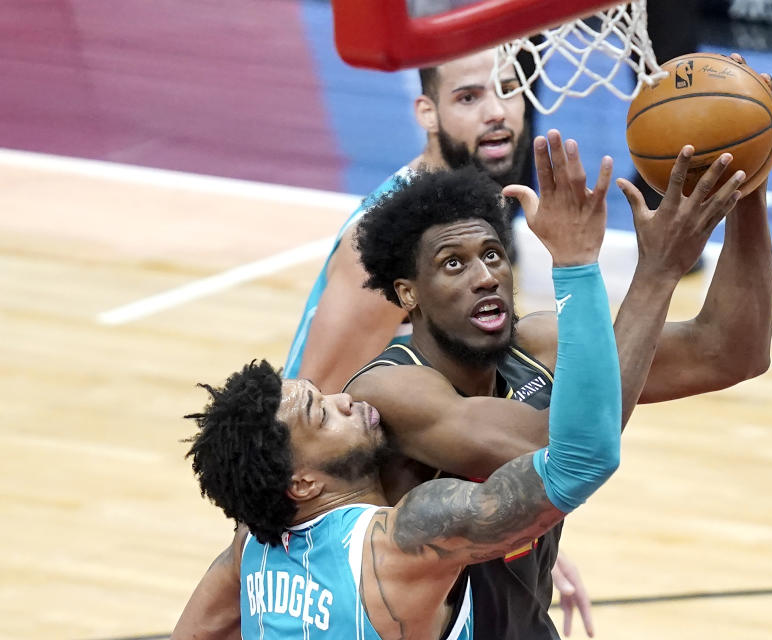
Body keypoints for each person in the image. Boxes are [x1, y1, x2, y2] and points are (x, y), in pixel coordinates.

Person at [171, 143, 625, 639]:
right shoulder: (407, 538)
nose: (345, 397)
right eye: (323, 414)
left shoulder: (252, 550)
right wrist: (576, 264)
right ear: (300, 484)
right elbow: (581, 460)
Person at [341, 122, 762, 640]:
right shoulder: (388, 391)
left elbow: (729, 352)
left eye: (492, 254)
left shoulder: (537, 343)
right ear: (409, 294)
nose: (485, 276)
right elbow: (563, 450)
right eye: (454, 264)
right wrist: (653, 274)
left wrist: (750, 179)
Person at [284, 48, 529, 393]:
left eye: (508, 89)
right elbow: (319, 401)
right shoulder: (389, 238)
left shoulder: (474, 204)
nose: (497, 112)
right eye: (469, 97)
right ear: (428, 114)